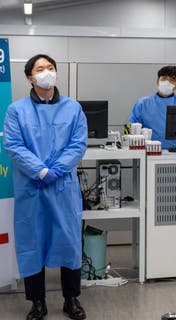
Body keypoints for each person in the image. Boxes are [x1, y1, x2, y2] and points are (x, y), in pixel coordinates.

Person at [3, 54, 88, 320]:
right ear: (30, 77)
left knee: (69, 242)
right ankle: (37, 302)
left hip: (63, 188)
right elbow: (14, 146)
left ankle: (70, 299)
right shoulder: (16, 110)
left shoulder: (73, 108)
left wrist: (56, 170)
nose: (46, 72)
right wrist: (40, 170)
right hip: (32, 188)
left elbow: (77, 144)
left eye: (50, 68)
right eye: (40, 69)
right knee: (32, 243)